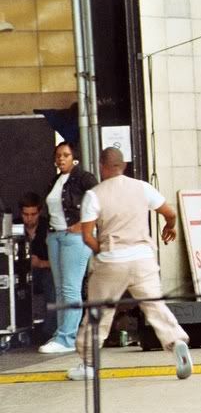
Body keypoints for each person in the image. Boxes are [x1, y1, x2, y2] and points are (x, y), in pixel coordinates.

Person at [67, 147, 192, 380]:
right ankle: (176, 343)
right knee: (155, 306)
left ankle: (88, 364)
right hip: (143, 257)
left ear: (102, 167)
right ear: (123, 166)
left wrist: (100, 252)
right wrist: (169, 227)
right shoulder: (142, 187)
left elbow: (86, 236)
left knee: (98, 312)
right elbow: (170, 213)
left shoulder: (94, 195)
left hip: (112, 258)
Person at [39, 142, 98, 354]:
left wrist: (84, 224)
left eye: (65, 155)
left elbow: (100, 201)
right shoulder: (56, 180)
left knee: (71, 287)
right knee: (60, 288)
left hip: (74, 237)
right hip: (56, 236)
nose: (61, 159)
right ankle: (61, 334)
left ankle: (68, 337)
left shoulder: (84, 178)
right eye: (58, 156)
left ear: (74, 158)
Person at [18, 192, 57, 342]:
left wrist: (40, 263)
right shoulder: (13, 226)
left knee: (52, 283)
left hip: (45, 273)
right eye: (25, 214)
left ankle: (48, 333)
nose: (29, 218)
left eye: (33, 214)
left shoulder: (49, 227)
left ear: (39, 212)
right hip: (20, 276)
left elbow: (61, 261)